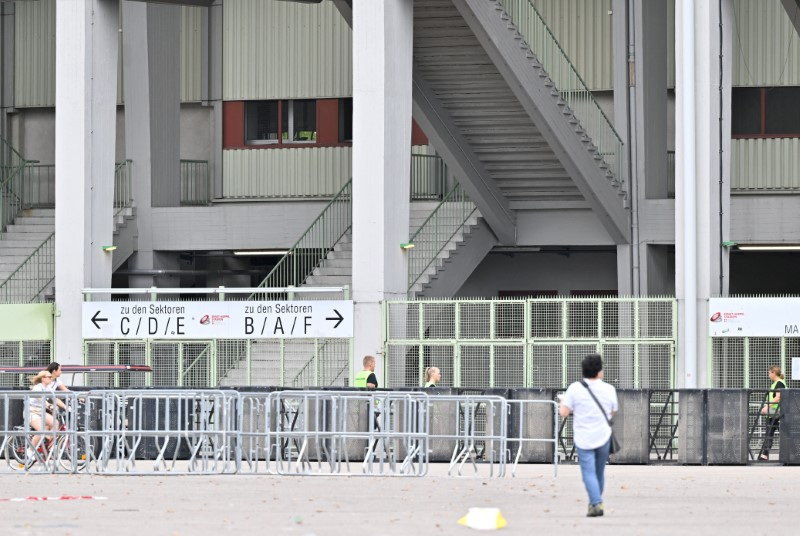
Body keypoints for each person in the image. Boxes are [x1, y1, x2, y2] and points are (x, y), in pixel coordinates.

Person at [559, 354, 618, 517]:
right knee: (599, 472)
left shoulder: (574, 389)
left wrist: (563, 402)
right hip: (603, 436)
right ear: (600, 371)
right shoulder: (609, 389)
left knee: (588, 473)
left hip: (583, 437)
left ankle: (596, 503)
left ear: (583, 371)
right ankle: (595, 502)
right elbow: (613, 411)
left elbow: (564, 413)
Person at [759, 365, 786, 461]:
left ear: (774, 373)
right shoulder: (776, 383)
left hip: (777, 413)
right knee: (771, 433)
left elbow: (778, 397)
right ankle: (765, 454)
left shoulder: (779, 383)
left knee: (770, 432)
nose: (768, 375)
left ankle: (764, 455)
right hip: (774, 413)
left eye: (769, 373)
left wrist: (766, 407)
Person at [27, 370, 56, 457]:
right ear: (43, 378)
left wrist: (66, 407)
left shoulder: (47, 388)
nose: (51, 379)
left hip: (41, 411)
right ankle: (30, 449)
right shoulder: (37, 387)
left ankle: (51, 447)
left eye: (52, 377)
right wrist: (49, 406)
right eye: (49, 377)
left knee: (56, 423)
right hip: (32, 411)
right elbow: (41, 398)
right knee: (42, 430)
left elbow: (55, 398)